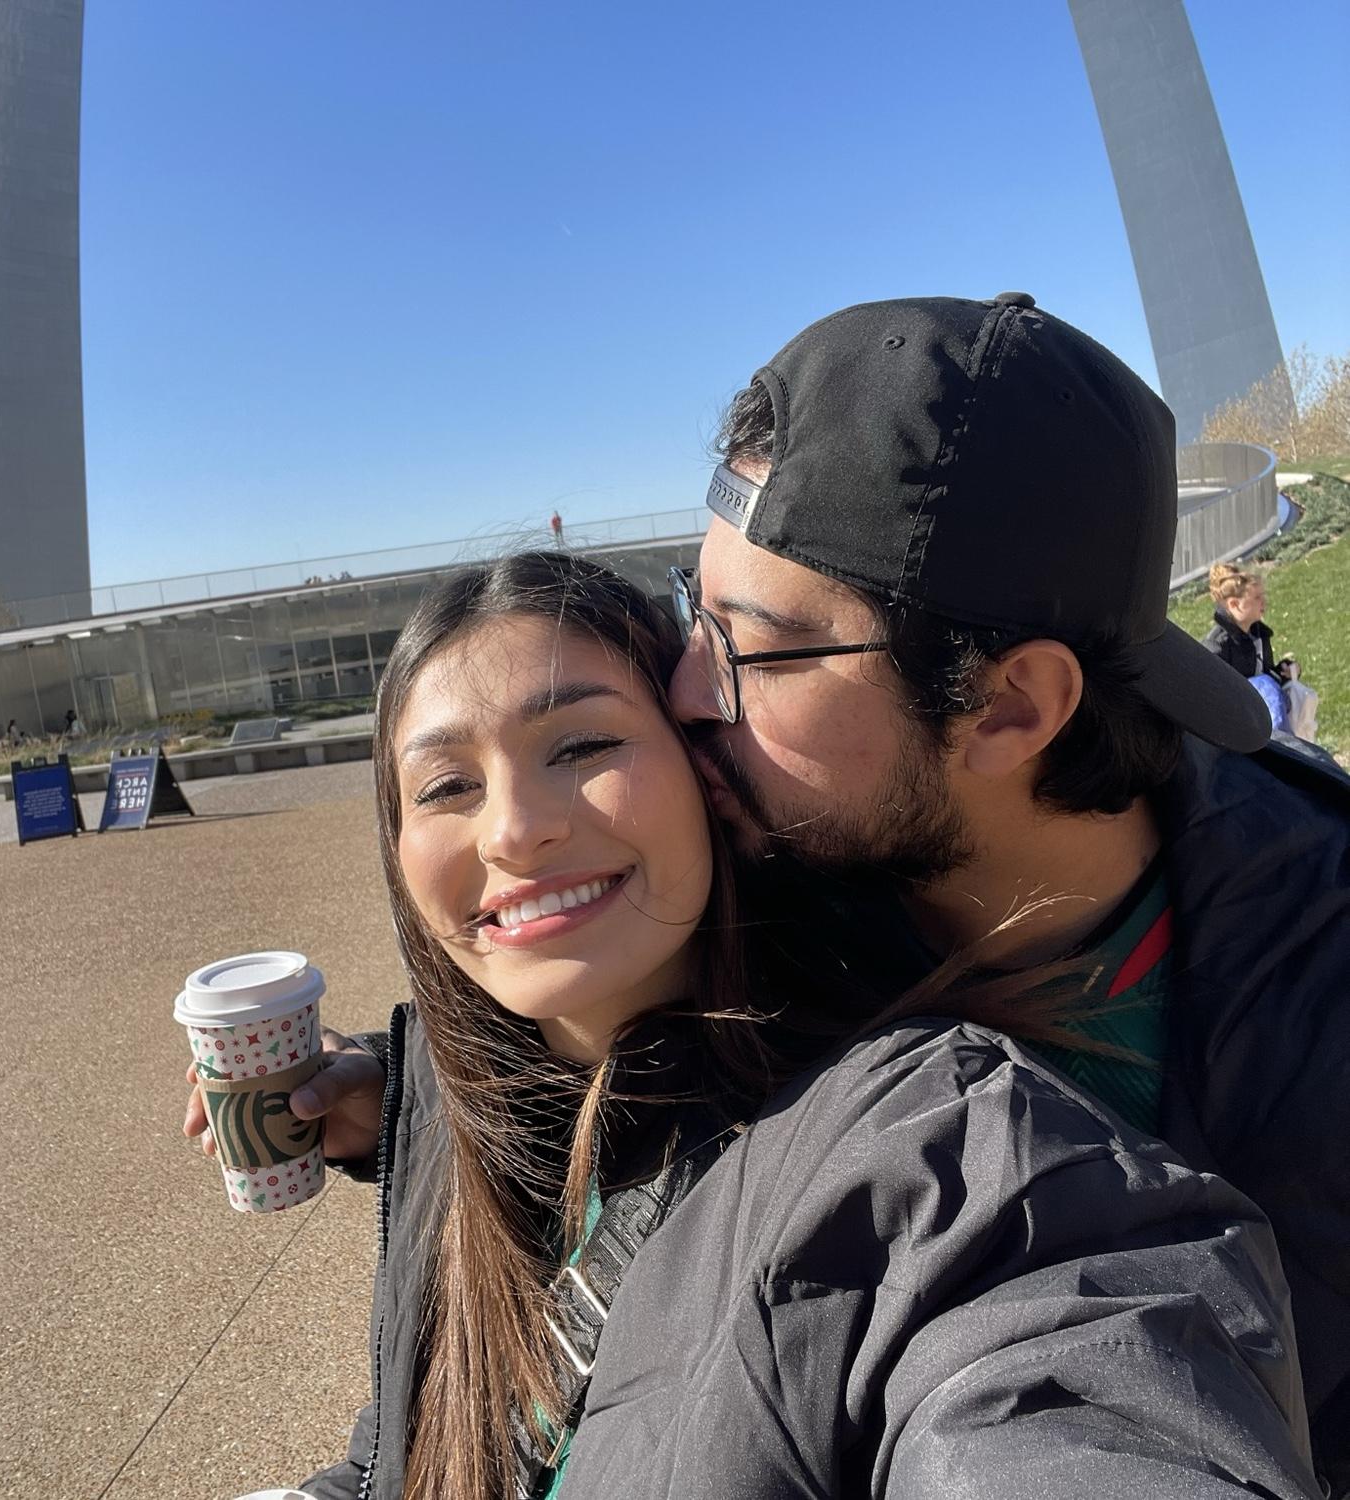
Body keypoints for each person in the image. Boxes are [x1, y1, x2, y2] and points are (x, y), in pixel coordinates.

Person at [283, 295, 1350, 1493]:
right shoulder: (800, 841)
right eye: (697, 613)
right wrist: (434, 1097)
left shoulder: (1310, 1029)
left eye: (757, 647)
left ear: (1008, 708)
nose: (684, 692)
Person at [1203, 561, 1276, 678]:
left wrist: (1284, 672)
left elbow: (1266, 673)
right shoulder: (1218, 648)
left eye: (1263, 595)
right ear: (1234, 604)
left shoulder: (1259, 634)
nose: (1264, 601)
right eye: (1257, 597)